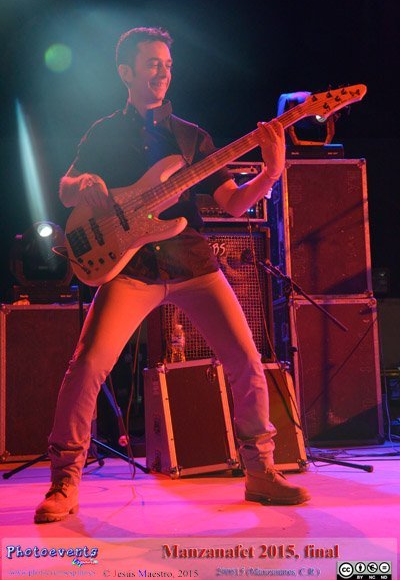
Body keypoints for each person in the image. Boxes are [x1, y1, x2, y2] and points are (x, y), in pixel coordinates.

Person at [34, 27, 310, 523]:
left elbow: (233, 202)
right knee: (88, 365)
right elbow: (67, 188)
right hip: (130, 269)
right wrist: (84, 182)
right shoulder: (103, 132)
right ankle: (64, 481)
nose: (163, 72)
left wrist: (269, 173)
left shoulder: (192, 137)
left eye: (167, 64)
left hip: (193, 264)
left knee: (247, 360)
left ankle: (261, 472)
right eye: (152, 63)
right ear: (126, 72)